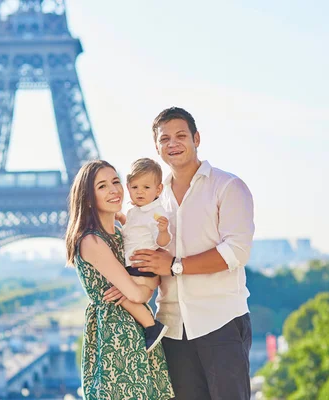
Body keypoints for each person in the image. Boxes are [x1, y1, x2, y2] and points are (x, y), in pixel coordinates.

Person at [130, 107, 256, 400]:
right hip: (172, 328)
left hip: (221, 322)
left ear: (196, 138)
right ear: (157, 147)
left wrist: (175, 265)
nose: (173, 143)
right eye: (165, 139)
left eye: (181, 135)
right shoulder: (154, 200)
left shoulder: (228, 186)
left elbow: (236, 251)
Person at [65, 160, 174, 400]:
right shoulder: (91, 241)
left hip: (138, 332)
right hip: (115, 336)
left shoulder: (122, 234)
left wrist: (142, 288)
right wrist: (140, 290)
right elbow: (139, 293)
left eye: (116, 181)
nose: (114, 190)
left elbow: (150, 281)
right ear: (88, 198)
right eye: (102, 186)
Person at [116, 158, 171, 293]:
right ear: (128, 188)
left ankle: (145, 316)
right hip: (131, 265)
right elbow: (133, 230)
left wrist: (163, 231)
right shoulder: (134, 211)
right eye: (135, 187)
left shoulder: (156, 213)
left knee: (128, 298)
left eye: (146, 187)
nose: (140, 191)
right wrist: (121, 218)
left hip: (142, 268)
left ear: (158, 189)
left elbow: (162, 243)